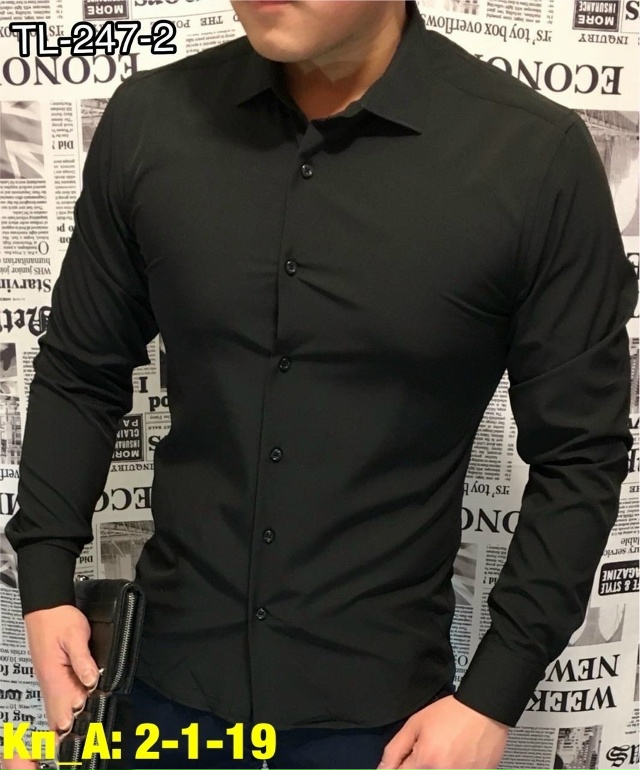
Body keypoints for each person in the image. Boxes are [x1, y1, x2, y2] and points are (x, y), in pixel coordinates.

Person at [4, 1, 637, 768]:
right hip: (159, 694)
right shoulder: (151, 120)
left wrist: (491, 699)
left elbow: (580, 452)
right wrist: (45, 582)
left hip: (381, 729)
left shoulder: (532, 156)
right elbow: (81, 366)